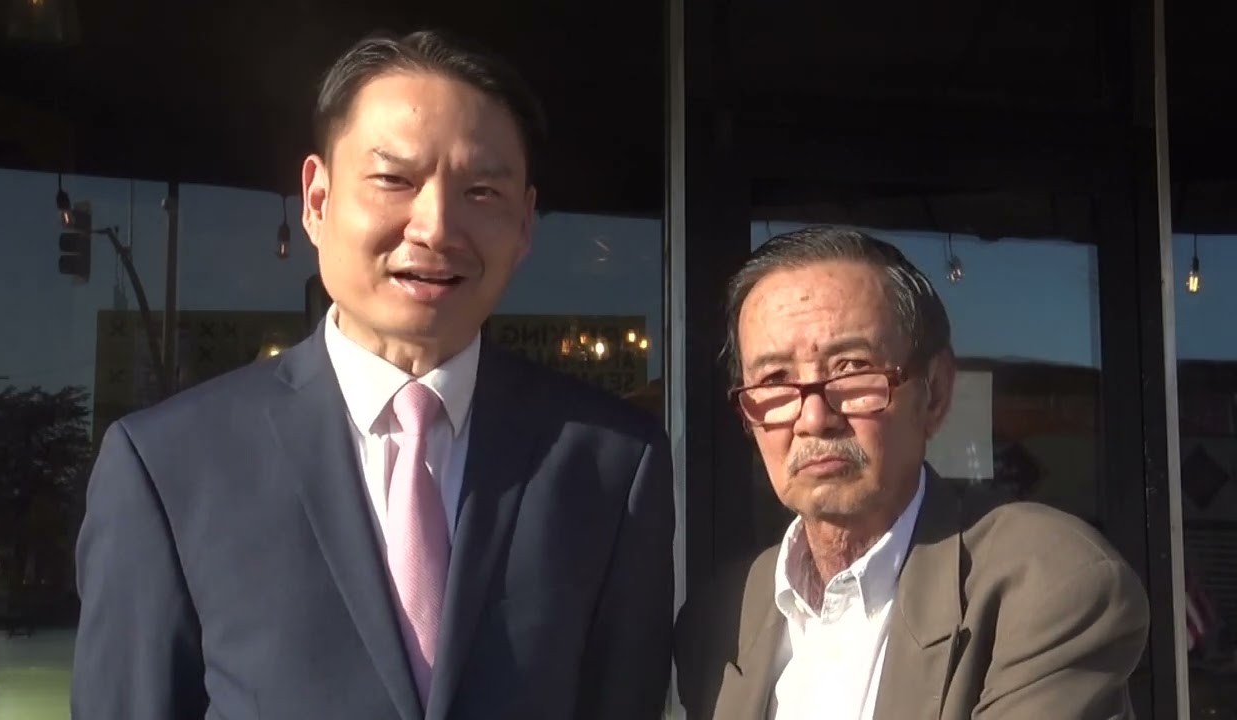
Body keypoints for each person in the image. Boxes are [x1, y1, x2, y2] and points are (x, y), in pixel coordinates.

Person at [72, 30, 675, 720]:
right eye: (394, 180)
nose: (436, 226)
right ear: (317, 199)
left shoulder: (609, 462)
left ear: (524, 228)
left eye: (482, 191)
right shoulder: (168, 465)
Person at [674, 226, 1150, 719]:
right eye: (774, 379)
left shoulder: (1043, 582)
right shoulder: (720, 620)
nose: (813, 418)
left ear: (935, 393)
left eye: (851, 368)